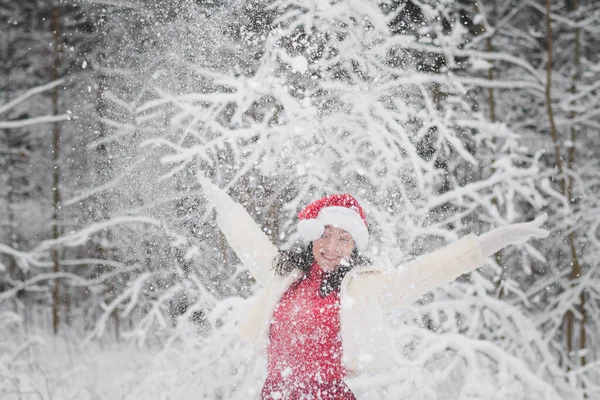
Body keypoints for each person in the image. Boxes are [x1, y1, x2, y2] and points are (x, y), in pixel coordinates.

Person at [198, 176, 549, 400]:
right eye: (326, 234)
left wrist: (493, 240)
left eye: (343, 239)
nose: (332, 247)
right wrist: (222, 204)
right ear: (312, 236)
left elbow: (432, 269)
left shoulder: (362, 289)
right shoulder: (284, 276)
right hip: (274, 394)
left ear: (355, 247)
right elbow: (249, 241)